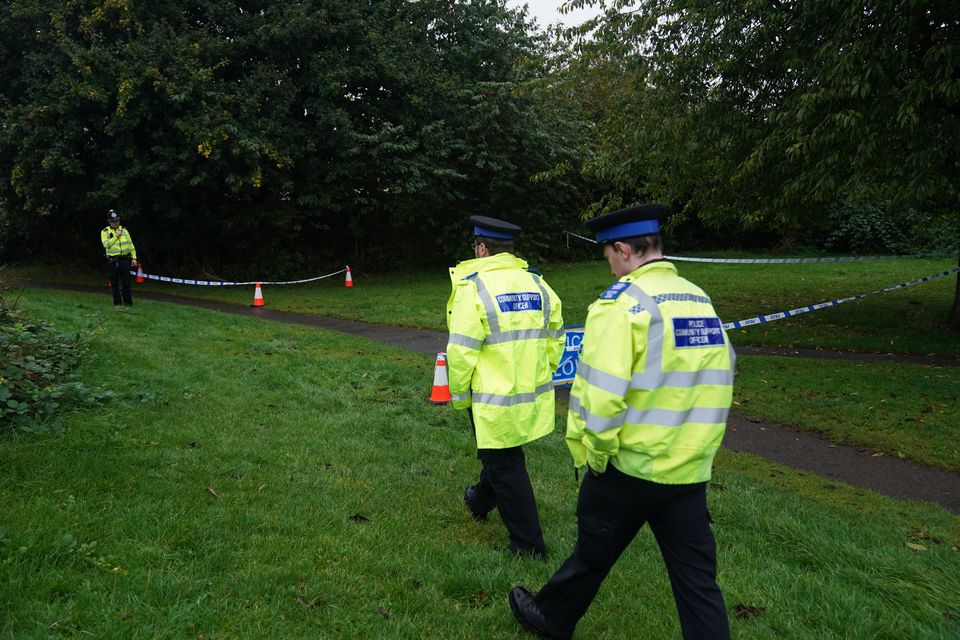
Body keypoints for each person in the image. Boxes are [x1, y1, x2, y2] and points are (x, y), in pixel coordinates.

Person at [509, 204, 736, 639]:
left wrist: (595, 458)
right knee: (697, 583)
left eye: (607, 256)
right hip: (688, 469)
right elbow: (720, 376)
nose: (609, 266)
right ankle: (550, 614)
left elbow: (600, 398)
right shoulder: (698, 299)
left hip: (628, 467)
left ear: (622, 250)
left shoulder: (620, 306)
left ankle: (550, 618)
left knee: (593, 553)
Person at [445, 215, 565, 559]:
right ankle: (479, 500)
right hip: (531, 393)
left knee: (506, 463)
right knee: (499, 454)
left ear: (482, 248)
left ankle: (529, 547)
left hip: (491, 398)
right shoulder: (539, 285)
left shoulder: (475, 287)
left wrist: (460, 396)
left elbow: (461, 350)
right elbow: (557, 338)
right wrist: (540, 372)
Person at [101, 209, 139, 307]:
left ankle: (128, 303)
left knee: (126, 282)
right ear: (109, 221)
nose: (115, 223)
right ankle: (117, 303)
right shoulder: (104, 232)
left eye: (117, 220)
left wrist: (134, 258)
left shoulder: (125, 231)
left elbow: (131, 245)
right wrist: (116, 237)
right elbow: (106, 245)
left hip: (125, 260)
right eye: (113, 221)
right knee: (114, 283)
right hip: (112, 261)